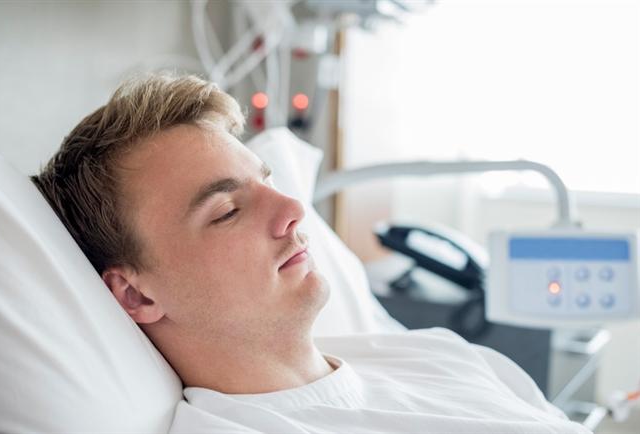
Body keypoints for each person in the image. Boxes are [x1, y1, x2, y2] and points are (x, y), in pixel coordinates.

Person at [32, 74, 591, 434]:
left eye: (268, 183)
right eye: (226, 211)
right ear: (135, 293)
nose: (293, 209)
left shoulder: (436, 355)